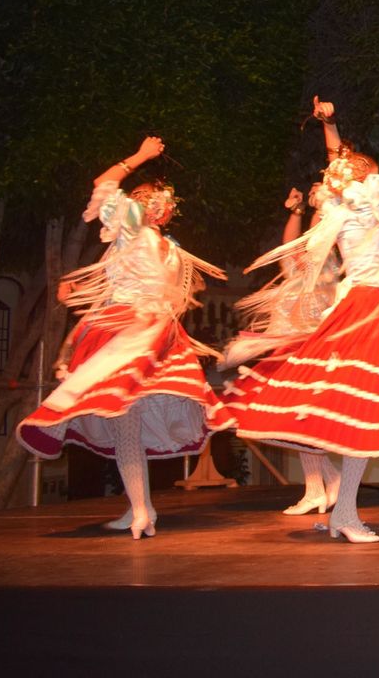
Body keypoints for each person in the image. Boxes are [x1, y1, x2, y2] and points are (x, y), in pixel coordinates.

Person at [225, 102, 379, 542]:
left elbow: (340, 164)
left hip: (368, 307)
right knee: (367, 409)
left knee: (363, 411)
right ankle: (344, 512)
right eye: (370, 173)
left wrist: (330, 126)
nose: (377, 178)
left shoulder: (346, 209)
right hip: (369, 309)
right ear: (361, 183)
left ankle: (343, 508)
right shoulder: (358, 208)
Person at [17, 136, 234, 539]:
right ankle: (141, 508)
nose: (152, 204)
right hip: (125, 331)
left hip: (154, 333)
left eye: (156, 200)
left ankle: (141, 509)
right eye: (143, 198)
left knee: (127, 421)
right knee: (123, 421)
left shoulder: (168, 248)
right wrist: (141, 156)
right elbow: (104, 185)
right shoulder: (131, 230)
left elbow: (169, 291)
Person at [223, 181, 343, 516]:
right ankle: (319, 486)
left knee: (301, 416)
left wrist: (318, 207)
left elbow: (311, 239)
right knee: (294, 418)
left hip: (311, 340)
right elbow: (290, 246)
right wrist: (296, 211)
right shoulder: (301, 254)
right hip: (290, 338)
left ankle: (324, 485)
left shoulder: (327, 247)